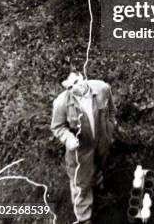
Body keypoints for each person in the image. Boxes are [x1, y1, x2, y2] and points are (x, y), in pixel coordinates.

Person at [51, 72, 116, 223]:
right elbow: (57, 127)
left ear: (82, 75)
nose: (76, 87)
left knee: (100, 165)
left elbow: (112, 110)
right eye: (70, 87)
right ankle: (84, 217)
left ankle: (98, 184)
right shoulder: (61, 103)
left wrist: (111, 127)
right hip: (81, 151)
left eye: (76, 81)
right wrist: (69, 138)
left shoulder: (102, 88)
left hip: (102, 142)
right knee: (81, 182)